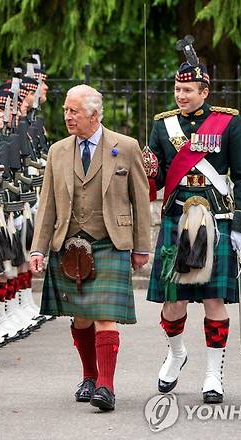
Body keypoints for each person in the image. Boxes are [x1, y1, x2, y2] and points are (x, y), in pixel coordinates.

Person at [30, 84, 151, 412]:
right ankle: (89, 375)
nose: (67, 116)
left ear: (94, 115)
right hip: (68, 244)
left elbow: (141, 200)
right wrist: (38, 249)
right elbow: (47, 205)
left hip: (110, 241)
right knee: (81, 318)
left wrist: (142, 246)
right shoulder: (57, 151)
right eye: (66, 110)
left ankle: (106, 388)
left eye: (74, 111)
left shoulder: (125, 147)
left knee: (105, 315)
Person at [146, 37, 241, 404]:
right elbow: (157, 182)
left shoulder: (228, 123)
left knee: (213, 300)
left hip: (216, 219)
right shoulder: (163, 127)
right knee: (173, 303)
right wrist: (150, 170)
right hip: (177, 219)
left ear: (204, 91)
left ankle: (213, 374)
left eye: (188, 89)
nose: (181, 95)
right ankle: (176, 353)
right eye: (177, 89)